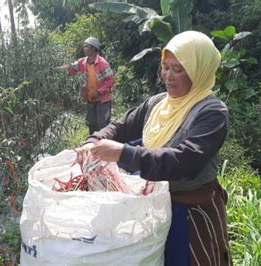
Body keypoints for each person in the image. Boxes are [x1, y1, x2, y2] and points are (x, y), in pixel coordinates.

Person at [75, 31, 232, 265]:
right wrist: (93, 141)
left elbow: (185, 160)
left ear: (199, 71)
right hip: (154, 209)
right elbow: (121, 125)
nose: (168, 76)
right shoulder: (158, 103)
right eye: (165, 67)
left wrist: (122, 153)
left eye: (178, 69)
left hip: (191, 213)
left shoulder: (211, 112)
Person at [59, 37, 115, 134]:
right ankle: (93, 144)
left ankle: (106, 145)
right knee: (92, 124)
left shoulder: (102, 63)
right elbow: (72, 67)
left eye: (86, 46)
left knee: (103, 124)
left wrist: (98, 92)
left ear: (93, 49)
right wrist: (57, 69)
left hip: (102, 99)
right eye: (84, 46)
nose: (84, 48)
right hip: (90, 98)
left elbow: (110, 80)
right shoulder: (83, 62)